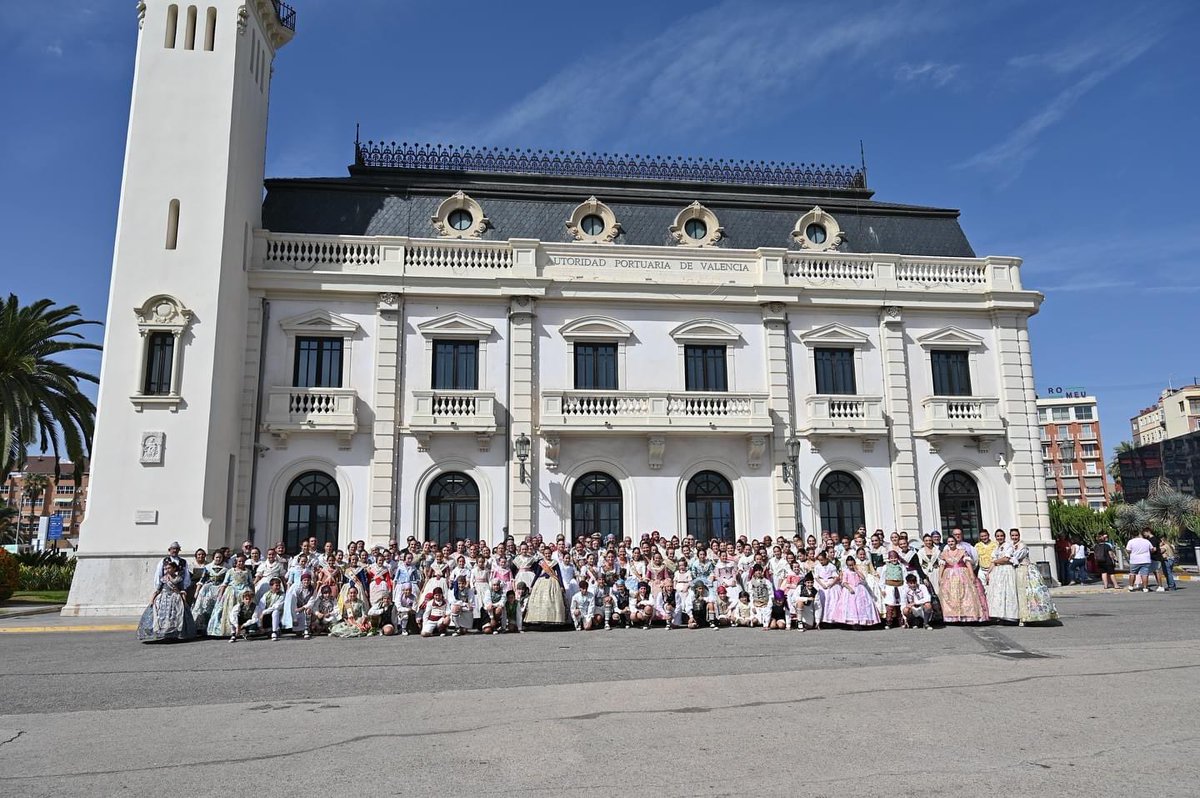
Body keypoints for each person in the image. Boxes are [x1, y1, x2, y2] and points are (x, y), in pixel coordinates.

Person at [137, 559, 196, 642]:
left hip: (175, 598)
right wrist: (152, 599)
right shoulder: (163, 579)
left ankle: (174, 634)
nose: (167, 570)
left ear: (174, 569)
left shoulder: (179, 579)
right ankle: (162, 634)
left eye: (169, 568)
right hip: (163, 598)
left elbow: (182, 590)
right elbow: (158, 590)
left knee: (175, 615)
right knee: (161, 616)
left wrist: (183, 599)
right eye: (166, 568)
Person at [1010, 529, 1058, 624]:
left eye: (1016, 535)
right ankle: (1020, 616)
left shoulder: (1022, 546)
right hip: (1017, 570)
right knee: (1019, 594)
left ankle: (1025, 617)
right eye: (1013, 535)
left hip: (1024, 570)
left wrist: (1007, 558)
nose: (1014, 537)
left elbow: (1016, 558)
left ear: (1019, 535)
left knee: (1026, 594)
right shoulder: (1012, 546)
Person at [937, 538, 988, 624]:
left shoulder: (962, 551)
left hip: (962, 574)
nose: (950, 543)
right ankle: (953, 616)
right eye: (949, 542)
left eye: (952, 541)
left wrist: (972, 574)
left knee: (965, 594)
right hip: (949, 576)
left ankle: (966, 616)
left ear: (955, 542)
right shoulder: (944, 553)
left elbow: (968, 563)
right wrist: (940, 577)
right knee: (950, 595)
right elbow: (942, 566)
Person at [823, 556, 881, 629]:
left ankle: (861, 622)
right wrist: (849, 588)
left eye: (852, 565)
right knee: (851, 606)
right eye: (849, 565)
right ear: (847, 565)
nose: (851, 566)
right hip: (850, 589)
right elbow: (844, 582)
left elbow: (863, 578)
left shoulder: (857, 571)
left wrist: (856, 570)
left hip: (859, 589)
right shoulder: (846, 572)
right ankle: (854, 623)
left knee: (860, 606)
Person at [984, 530, 1020, 623]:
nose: (999, 538)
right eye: (998, 536)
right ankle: (998, 615)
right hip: (997, 571)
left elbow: (1006, 559)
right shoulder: (996, 547)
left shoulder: (1008, 546)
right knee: (998, 593)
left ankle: (1010, 616)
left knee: (1007, 592)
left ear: (1004, 537)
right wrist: (988, 573)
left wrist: (996, 561)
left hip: (1006, 570)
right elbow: (993, 561)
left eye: (1001, 536)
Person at [525, 553, 568, 626]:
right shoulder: (541, 562)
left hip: (552, 582)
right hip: (541, 582)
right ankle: (541, 619)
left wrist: (561, 585)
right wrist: (532, 585)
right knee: (541, 600)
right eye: (546, 554)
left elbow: (559, 575)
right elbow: (537, 574)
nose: (548, 555)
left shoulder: (555, 562)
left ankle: (552, 619)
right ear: (544, 554)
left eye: (549, 554)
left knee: (552, 601)